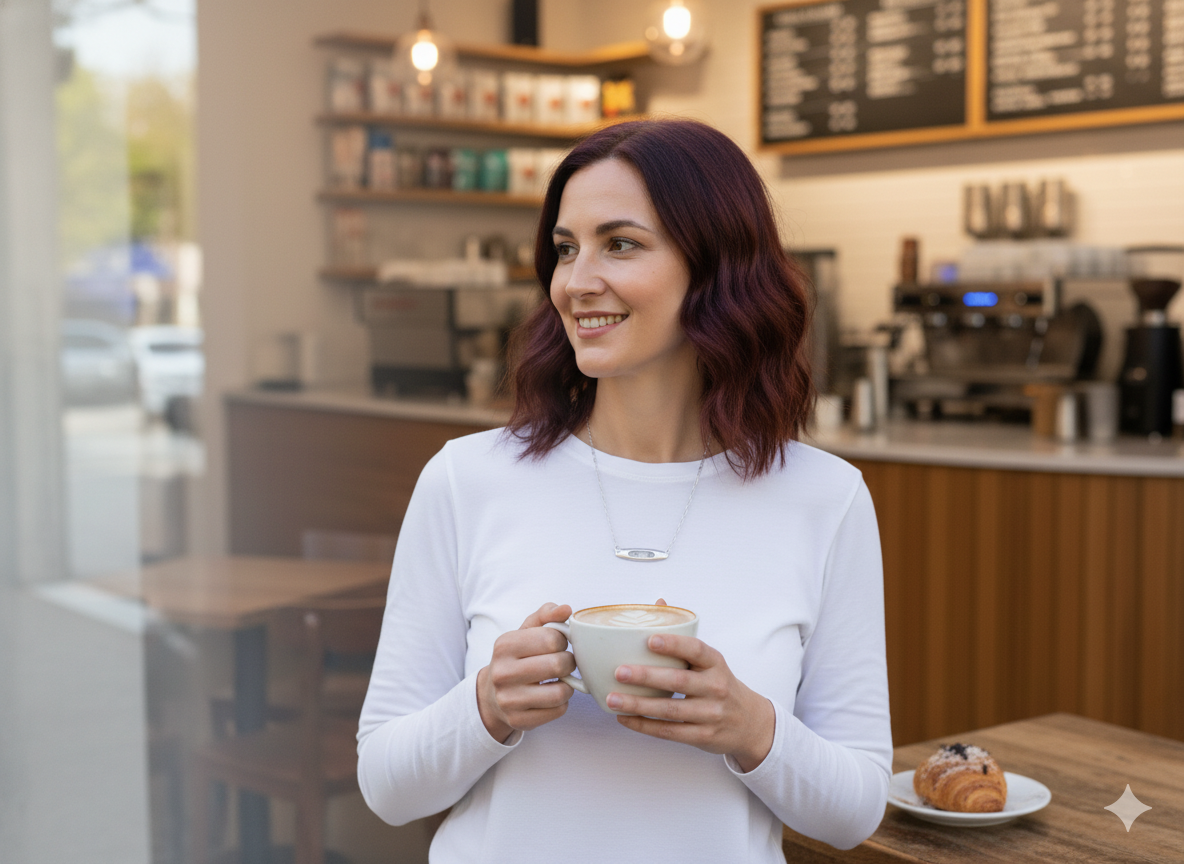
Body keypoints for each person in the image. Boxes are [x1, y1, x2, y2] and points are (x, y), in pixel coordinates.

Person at [357, 118, 892, 863]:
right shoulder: (466, 479)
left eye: (622, 244)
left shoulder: (825, 499)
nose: (577, 282)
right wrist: (485, 707)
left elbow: (856, 811)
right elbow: (385, 786)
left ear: (716, 268)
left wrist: (753, 729)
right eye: (566, 249)